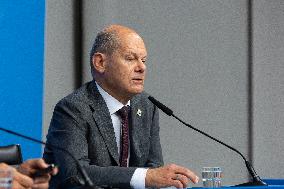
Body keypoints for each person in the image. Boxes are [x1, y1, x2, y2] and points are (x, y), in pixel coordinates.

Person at [43, 24, 199, 189]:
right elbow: (75, 174)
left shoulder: (147, 106)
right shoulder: (73, 108)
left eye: (144, 60)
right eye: (131, 58)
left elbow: (153, 168)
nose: (142, 67)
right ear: (100, 62)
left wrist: (152, 177)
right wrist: (145, 176)